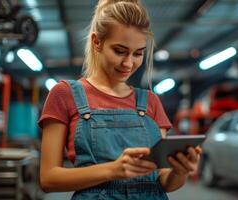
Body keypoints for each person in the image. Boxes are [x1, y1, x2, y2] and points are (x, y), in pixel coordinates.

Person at [38, 0, 202, 199]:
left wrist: (180, 170)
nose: (128, 63)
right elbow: (48, 179)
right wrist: (113, 170)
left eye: (138, 53)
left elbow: (164, 182)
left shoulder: (150, 102)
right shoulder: (65, 94)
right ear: (97, 42)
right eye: (120, 51)